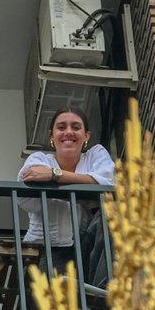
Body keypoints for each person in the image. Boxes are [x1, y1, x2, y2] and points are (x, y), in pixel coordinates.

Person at [18, 107, 114, 277]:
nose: (68, 132)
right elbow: (28, 180)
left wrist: (55, 175)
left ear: (87, 136)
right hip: (46, 249)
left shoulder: (96, 154)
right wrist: (86, 189)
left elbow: (109, 184)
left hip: (88, 248)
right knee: (49, 302)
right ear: (51, 136)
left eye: (76, 127)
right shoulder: (39, 158)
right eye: (61, 127)